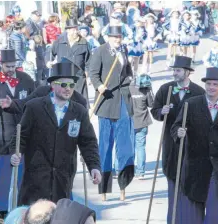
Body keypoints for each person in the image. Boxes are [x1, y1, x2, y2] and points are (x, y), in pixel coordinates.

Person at [11, 62, 101, 206]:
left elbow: (88, 142)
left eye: (72, 85)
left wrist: (94, 166)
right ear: (53, 85)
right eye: (64, 85)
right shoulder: (34, 107)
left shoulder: (79, 111)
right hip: (36, 179)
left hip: (63, 178)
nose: (68, 89)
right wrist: (15, 153)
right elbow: (21, 136)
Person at [171, 67, 218, 224]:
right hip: (195, 166)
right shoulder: (191, 104)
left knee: (216, 214)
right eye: (209, 84)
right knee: (193, 215)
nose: (211, 87)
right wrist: (179, 132)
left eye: (215, 84)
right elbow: (175, 127)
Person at [150, 55, 205, 223]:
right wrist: (161, 112)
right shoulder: (165, 89)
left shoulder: (198, 92)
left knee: (189, 184)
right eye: (174, 70)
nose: (175, 73)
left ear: (187, 72)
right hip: (170, 144)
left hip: (191, 146)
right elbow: (155, 110)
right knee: (172, 183)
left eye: (178, 70)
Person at [0, 49, 35, 218]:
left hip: (23, 136)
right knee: (1, 180)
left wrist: (14, 104)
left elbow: (33, 101)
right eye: (8, 66)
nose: (11, 69)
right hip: (1, 136)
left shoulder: (26, 80)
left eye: (14, 66)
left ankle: (22, 212)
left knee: (23, 179)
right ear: (1, 65)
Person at [88, 26, 134, 201]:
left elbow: (128, 70)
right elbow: (93, 73)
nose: (117, 39)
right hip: (106, 102)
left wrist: (129, 78)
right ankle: (104, 190)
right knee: (105, 147)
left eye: (119, 36)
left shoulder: (124, 50)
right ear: (108, 37)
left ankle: (123, 186)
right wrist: (99, 86)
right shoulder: (99, 51)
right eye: (114, 37)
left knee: (124, 146)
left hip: (122, 101)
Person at [47, 19, 91, 102]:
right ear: (67, 30)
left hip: (79, 79)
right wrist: (48, 61)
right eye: (73, 30)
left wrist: (89, 76)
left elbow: (89, 61)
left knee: (80, 104)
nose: (75, 32)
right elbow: (50, 53)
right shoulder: (59, 41)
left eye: (76, 29)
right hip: (63, 78)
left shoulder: (84, 43)